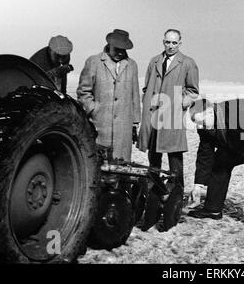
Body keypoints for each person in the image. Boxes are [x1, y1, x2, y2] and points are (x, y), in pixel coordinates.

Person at [187, 98, 244, 238]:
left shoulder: (238, 111)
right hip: (236, 141)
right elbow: (205, 154)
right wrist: (198, 185)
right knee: (219, 165)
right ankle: (212, 209)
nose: (201, 126)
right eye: (197, 123)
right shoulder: (204, 127)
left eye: (202, 122)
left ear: (210, 112)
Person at [137, 28, 199, 230]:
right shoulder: (154, 61)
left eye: (174, 43)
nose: (170, 46)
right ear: (163, 42)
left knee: (175, 165)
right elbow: (146, 87)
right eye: (167, 42)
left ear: (180, 43)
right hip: (153, 116)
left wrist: (180, 103)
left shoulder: (187, 63)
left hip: (171, 118)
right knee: (153, 163)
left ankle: (174, 208)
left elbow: (193, 91)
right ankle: (153, 206)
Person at [77, 29, 141, 162]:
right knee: (99, 166)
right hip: (100, 126)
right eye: (116, 49)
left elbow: (135, 94)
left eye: (123, 50)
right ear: (109, 45)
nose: (120, 53)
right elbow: (84, 91)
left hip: (124, 128)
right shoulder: (94, 62)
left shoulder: (132, 65)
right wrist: (94, 110)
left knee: (122, 168)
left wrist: (135, 122)